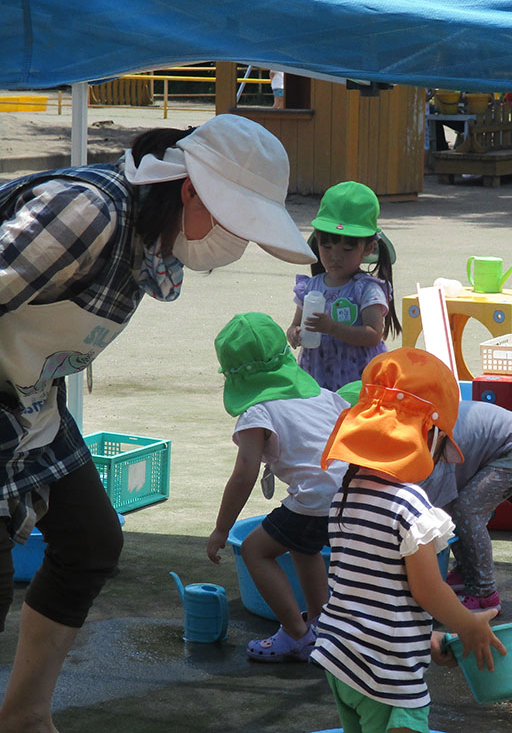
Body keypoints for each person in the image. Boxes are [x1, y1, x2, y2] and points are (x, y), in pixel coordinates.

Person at [0, 112, 314, 733]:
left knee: (90, 541)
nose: (237, 245)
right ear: (191, 189)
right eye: (235, 224)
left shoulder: (150, 246)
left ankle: (25, 715)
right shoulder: (89, 211)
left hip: (30, 399)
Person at [312, 348, 505, 733]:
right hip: (386, 672)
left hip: (341, 654)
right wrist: (468, 624)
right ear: (428, 435)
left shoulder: (348, 490)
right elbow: (428, 591)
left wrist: (426, 639)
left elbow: (371, 587)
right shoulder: (411, 506)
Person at [206, 313, 350, 662]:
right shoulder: (320, 394)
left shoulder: (259, 410)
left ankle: (297, 633)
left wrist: (221, 528)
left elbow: (244, 473)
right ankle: (322, 626)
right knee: (304, 546)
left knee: (256, 550)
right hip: (351, 491)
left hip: (314, 495)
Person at [419, 400, 512, 614]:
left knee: (467, 510)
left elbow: (431, 509)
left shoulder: (438, 440)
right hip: (502, 447)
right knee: (451, 509)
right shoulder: (430, 432)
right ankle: (466, 572)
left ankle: (485, 594)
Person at [286, 181, 400, 392]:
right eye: (326, 246)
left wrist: (333, 328)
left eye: (347, 249)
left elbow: (373, 334)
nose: (334, 257)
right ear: (316, 241)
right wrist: (295, 334)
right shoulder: (311, 287)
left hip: (357, 381)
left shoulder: (366, 289)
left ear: (369, 248)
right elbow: (294, 325)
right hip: (316, 375)